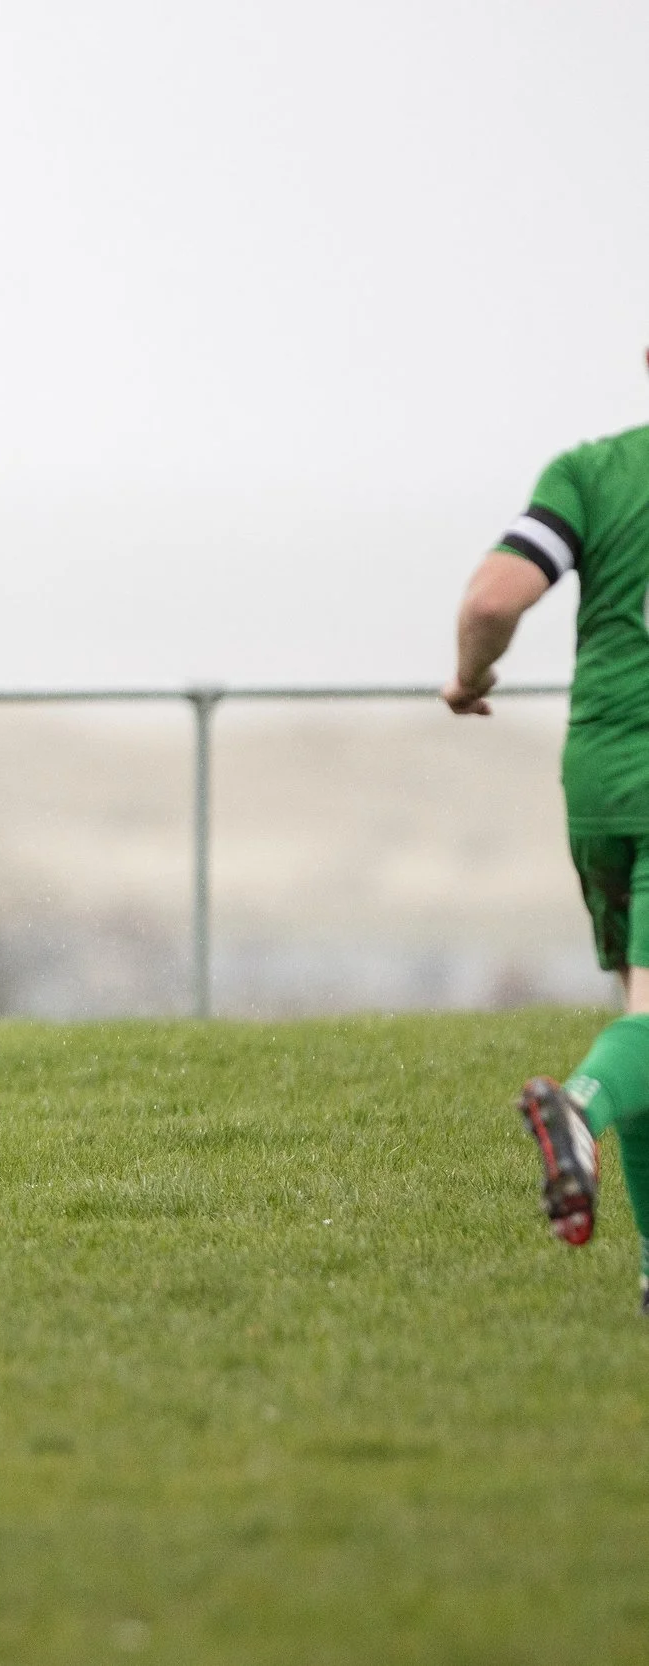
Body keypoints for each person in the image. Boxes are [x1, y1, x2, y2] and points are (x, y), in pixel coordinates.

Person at [446, 345, 649, 1312]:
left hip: (605, 778)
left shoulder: (591, 474)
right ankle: (578, 1111)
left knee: (644, 1012)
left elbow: (494, 597)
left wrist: (471, 678)